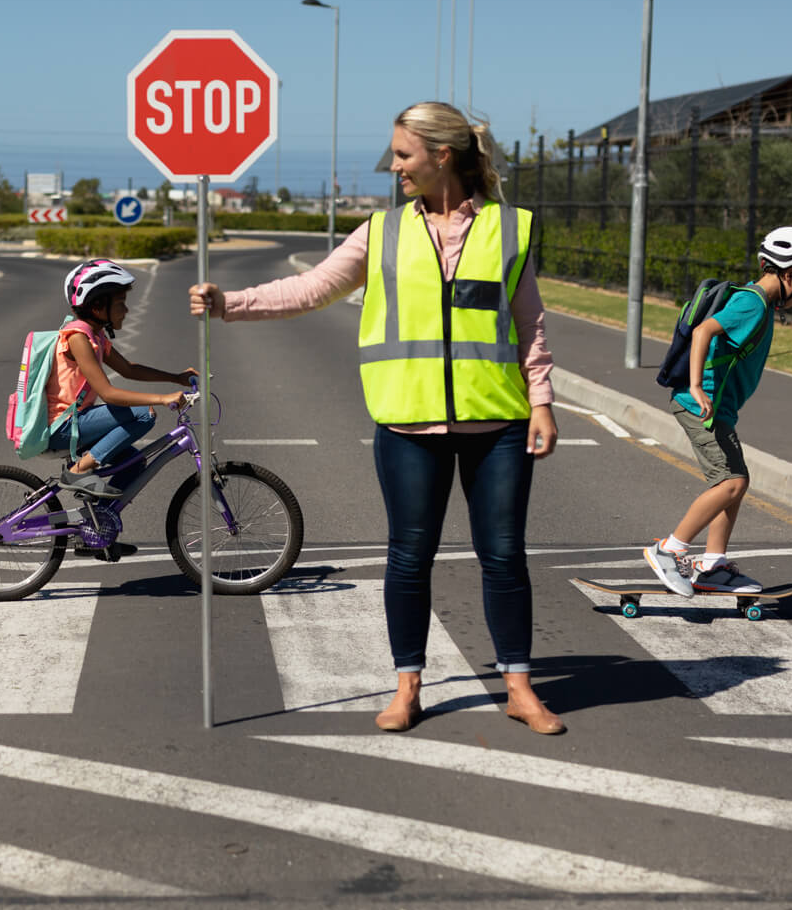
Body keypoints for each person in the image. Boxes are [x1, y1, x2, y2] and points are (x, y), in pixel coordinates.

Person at [190, 102, 565, 735]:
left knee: (504, 556)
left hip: (497, 423)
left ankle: (520, 689)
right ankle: (408, 687)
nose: (394, 166)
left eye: (403, 154)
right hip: (407, 422)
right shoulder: (382, 232)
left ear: (441, 155)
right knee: (409, 557)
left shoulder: (510, 229)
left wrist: (543, 401)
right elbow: (311, 288)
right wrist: (230, 303)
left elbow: (530, 324)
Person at [642, 227, 792, 597]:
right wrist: (697, 386)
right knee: (732, 482)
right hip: (701, 405)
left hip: (719, 408)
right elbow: (703, 331)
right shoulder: (753, 304)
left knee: (732, 484)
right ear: (790, 274)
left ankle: (712, 565)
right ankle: (669, 550)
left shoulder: (757, 301)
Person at [52, 259, 196, 497]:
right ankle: (78, 471)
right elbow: (108, 393)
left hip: (79, 422)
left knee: (133, 463)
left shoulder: (95, 336)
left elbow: (129, 369)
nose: (126, 310)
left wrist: (176, 378)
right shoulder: (78, 338)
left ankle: (100, 518)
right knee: (144, 413)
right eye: (120, 303)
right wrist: (162, 399)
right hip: (64, 426)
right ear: (98, 307)